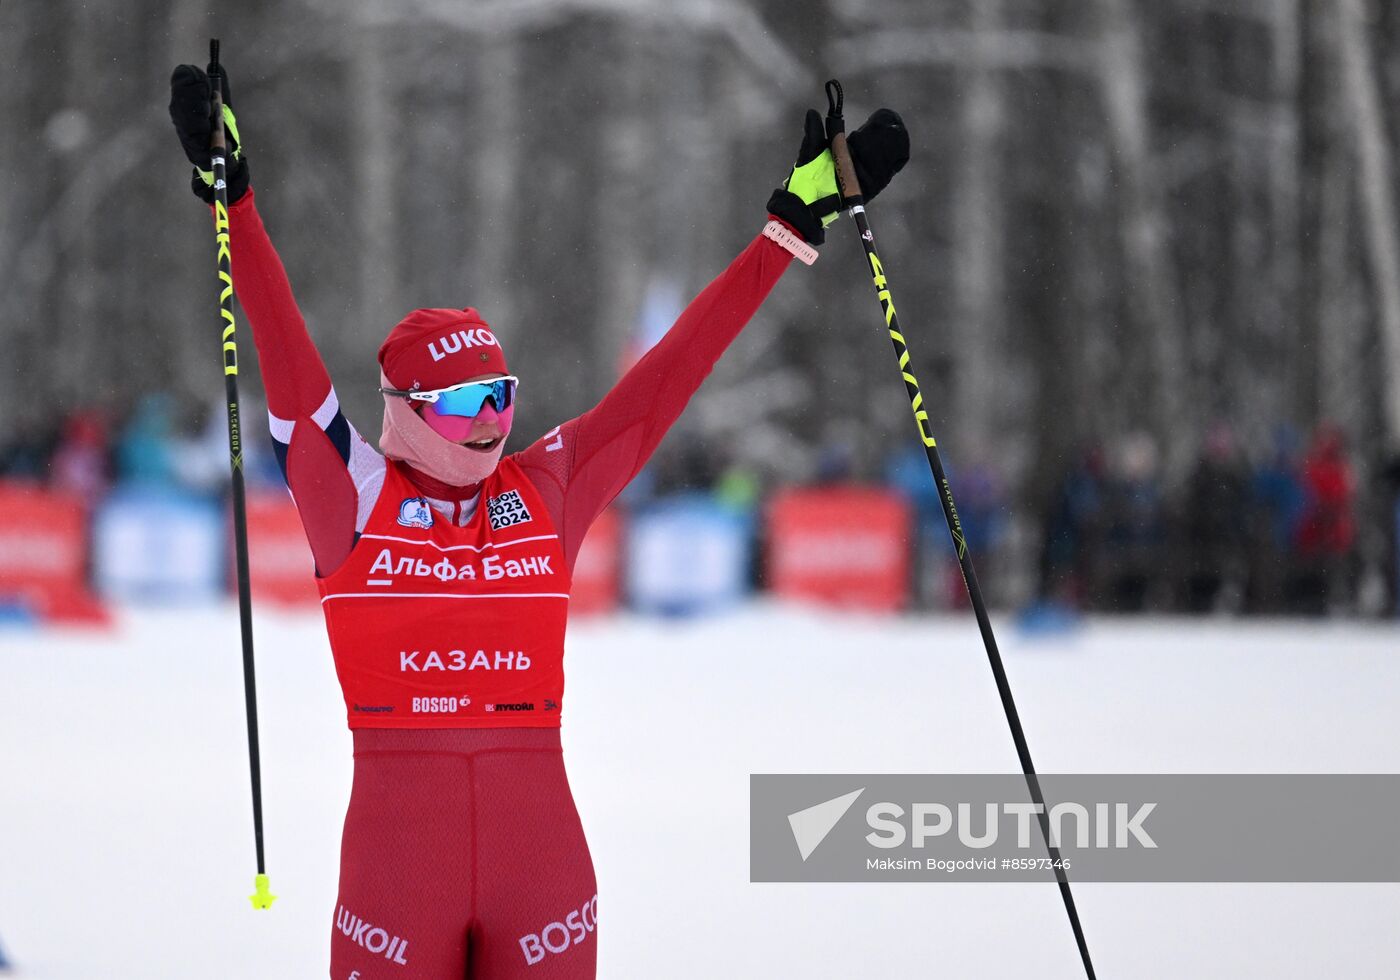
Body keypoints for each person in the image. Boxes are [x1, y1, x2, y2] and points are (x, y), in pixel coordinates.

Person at [170, 62, 907, 979]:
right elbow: (283, 352)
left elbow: (666, 377)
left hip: (542, 874)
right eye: (462, 401)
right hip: (400, 881)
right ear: (402, 409)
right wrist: (232, 201)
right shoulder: (349, 494)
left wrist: (788, 232)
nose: (488, 421)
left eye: (500, 395)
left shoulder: (547, 485)